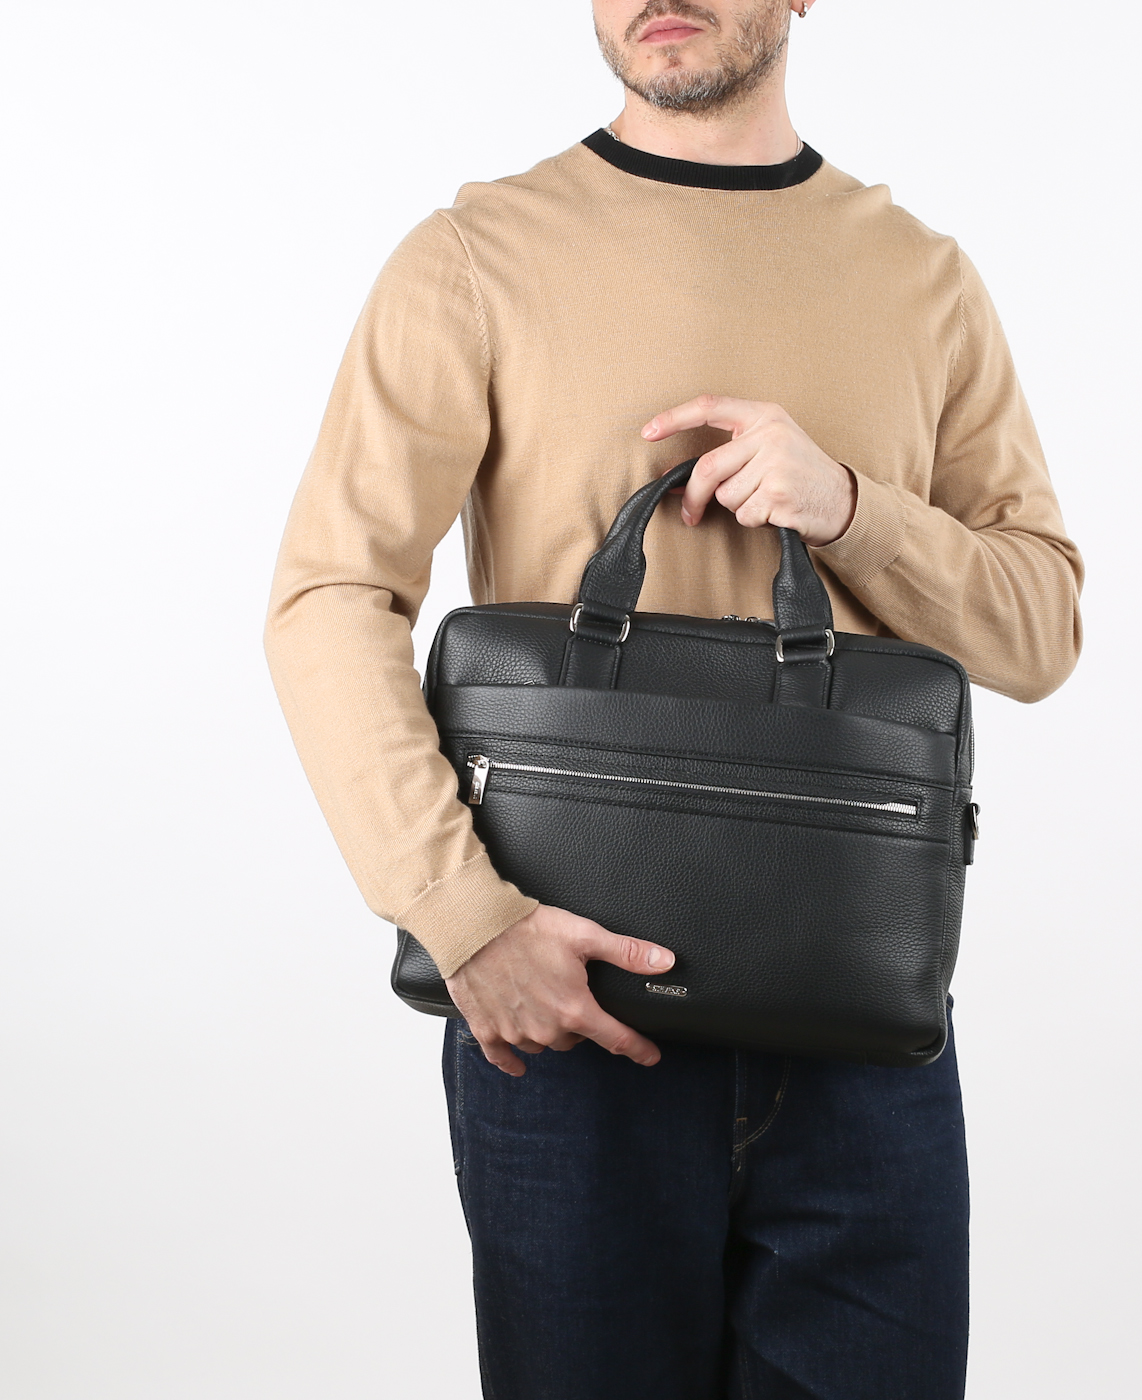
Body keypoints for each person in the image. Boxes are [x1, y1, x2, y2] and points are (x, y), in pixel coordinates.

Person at [265, 2, 1084, 1395]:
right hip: (567, 1012)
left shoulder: (922, 279)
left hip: (858, 1020)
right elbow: (331, 596)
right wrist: (465, 920)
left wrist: (852, 509)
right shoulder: (475, 256)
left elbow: (1040, 627)